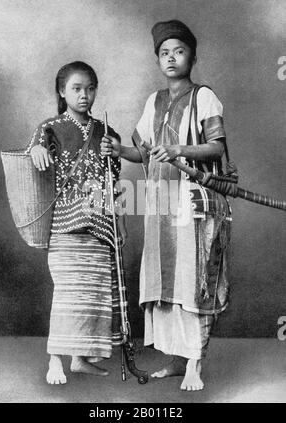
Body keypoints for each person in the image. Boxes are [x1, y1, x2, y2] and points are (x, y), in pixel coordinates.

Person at [101, 20, 231, 391]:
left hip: (195, 204)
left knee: (193, 282)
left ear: (193, 55)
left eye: (179, 51)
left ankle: (194, 364)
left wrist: (178, 149)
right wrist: (118, 150)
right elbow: (142, 152)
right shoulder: (154, 101)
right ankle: (176, 360)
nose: (171, 58)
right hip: (160, 205)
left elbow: (216, 147)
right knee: (166, 285)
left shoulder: (204, 97)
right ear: (157, 60)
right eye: (164, 53)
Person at [26, 61, 127, 384]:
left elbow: (115, 185)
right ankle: (56, 359)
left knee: (94, 294)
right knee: (68, 293)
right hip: (65, 223)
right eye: (76, 89)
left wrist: (120, 223)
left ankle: (81, 358)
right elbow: (30, 154)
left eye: (90, 88)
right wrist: (38, 149)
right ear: (62, 92)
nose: (85, 95)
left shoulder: (108, 133)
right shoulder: (50, 128)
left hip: (100, 224)